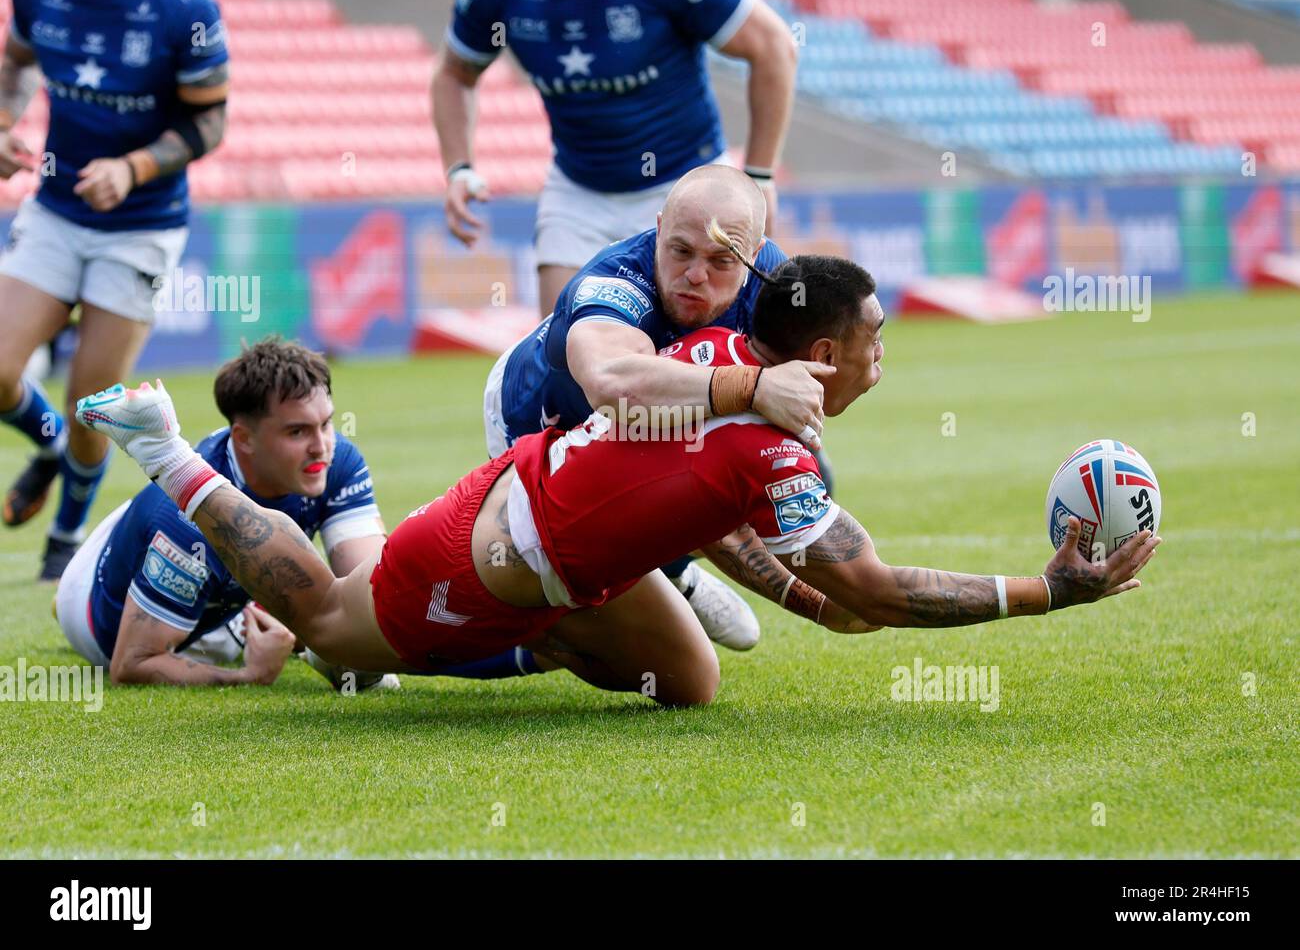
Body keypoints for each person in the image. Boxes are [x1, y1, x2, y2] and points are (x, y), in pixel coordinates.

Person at [76, 257, 1161, 707]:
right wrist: (1045, 590)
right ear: (822, 356)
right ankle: (168, 446)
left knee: (690, 685)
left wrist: (795, 590)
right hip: (472, 551)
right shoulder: (770, 432)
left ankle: (563, 620)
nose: (885, 354)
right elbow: (869, 591)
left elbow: (749, 521)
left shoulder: (715, 368)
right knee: (324, 621)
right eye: (872, 337)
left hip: (560, 531)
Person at [484, 163, 829, 651]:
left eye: (721, 261)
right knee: (559, 618)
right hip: (536, 421)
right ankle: (673, 574)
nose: (694, 275)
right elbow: (612, 385)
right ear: (659, 227)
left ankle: (666, 566)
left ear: (753, 254)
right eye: (681, 251)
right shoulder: (615, 282)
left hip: (650, 426)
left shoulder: (772, 278)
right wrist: (752, 386)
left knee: (799, 468)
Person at [0, 0, 229, 579]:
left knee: (90, 408)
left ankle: (66, 535)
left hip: (141, 226)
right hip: (55, 210)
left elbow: (209, 120)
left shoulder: (186, 12)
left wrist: (133, 168)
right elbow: (18, 62)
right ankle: (50, 445)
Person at [55, 338, 394, 691]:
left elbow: (373, 591)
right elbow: (132, 664)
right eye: (297, 431)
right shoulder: (185, 528)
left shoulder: (337, 460)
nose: (321, 447)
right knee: (230, 634)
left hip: (215, 584)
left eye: (326, 424)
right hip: (89, 611)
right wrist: (250, 677)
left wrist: (355, 639)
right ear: (244, 438)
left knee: (350, 636)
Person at [433, 0, 797, 319]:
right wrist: (459, 168)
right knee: (563, 354)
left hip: (688, 189)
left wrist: (760, 177)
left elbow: (775, 45)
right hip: (579, 189)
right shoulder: (492, 0)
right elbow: (453, 73)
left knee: (716, 355)